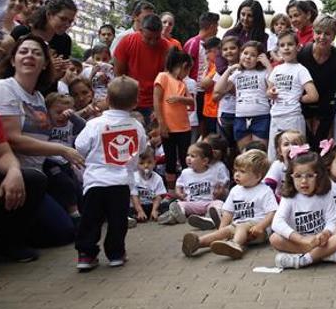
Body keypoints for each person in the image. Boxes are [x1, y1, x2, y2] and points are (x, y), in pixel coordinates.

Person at [0, 36, 81, 248]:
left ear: (45, 64)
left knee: (67, 230)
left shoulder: (38, 98)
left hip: (39, 174)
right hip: (8, 175)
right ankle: (0, 240)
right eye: (23, 51)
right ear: (13, 60)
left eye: (36, 53)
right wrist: (62, 150)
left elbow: (43, 135)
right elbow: (10, 140)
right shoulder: (3, 89)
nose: (29, 56)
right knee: (59, 231)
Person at [73, 76, 147, 271]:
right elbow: (142, 147)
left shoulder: (95, 124)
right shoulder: (136, 126)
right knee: (117, 220)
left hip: (95, 181)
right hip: (121, 182)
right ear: (135, 102)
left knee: (90, 219)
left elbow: (79, 146)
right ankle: (116, 253)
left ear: (107, 99)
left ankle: (86, 254)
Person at [182, 149, 277, 259]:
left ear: (257, 176)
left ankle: (235, 245)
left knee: (241, 226)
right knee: (223, 232)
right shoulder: (235, 190)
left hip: (257, 230)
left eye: (242, 171)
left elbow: (272, 212)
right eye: (236, 170)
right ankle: (197, 243)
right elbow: (228, 212)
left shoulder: (265, 191)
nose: (237, 174)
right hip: (237, 226)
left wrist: (261, 226)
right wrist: (222, 229)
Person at [269, 149, 336, 269]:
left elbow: (333, 218)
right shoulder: (289, 198)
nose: (304, 181)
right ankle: (324, 255)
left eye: (309, 176)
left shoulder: (325, 194)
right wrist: (302, 239)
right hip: (298, 240)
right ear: (290, 177)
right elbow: (277, 223)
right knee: (275, 238)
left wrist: (326, 233)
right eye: (298, 176)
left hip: (322, 239)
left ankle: (304, 259)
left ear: (318, 176)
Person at [266, 31, 318, 161]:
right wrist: (271, 93)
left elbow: (313, 95)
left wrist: (298, 98)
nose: (286, 48)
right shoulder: (277, 69)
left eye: (290, 44)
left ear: (298, 47)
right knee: (274, 155)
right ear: (278, 49)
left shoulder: (301, 70)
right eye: (282, 45)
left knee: (296, 156)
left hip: (292, 117)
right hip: (276, 116)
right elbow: (268, 90)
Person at [299, 16, 336, 146]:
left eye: (327, 33)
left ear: (333, 35)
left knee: (321, 141)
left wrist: (319, 118)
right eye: (318, 32)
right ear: (313, 33)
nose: (322, 37)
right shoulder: (302, 54)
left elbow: (332, 90)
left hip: (325, 105)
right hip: (302, 104)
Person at [214, 41, 271, 151]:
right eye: (245, 53)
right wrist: (229, 70)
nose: (248, 57)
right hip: (241, 117)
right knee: (244, 153)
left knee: (259, 152)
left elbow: (274, 84)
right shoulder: (237, 73)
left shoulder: (263, 72)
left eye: (253, 55)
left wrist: (268, 65)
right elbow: (218, 89)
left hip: (261, 116)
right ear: (240, 54)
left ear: (259, 58)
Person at [114, 14, 171, 122]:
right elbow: (119, 75)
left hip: (154, 101)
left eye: (157, 38)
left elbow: (168, 80)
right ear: (140, 30)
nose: (153, 42)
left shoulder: (167, 48)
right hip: (130, 99)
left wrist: (159, 106)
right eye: (148, 38)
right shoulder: (127, 42)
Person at [153, 48, 195, 187]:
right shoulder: (163, 77)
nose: (187, 74)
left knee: (185, 158)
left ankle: (186, 186)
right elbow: (157, 100)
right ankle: (170, 189)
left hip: (184, 127)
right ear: (184, 66)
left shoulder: (182, 83)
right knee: (170, 158)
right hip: (168, 127)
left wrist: (179, 99)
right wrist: (161, 123)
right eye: (188, 70)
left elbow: (191, 101)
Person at [161, 142, 226, 225]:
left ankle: (209, 218)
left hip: (209, 202)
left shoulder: (214, 171)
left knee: (219, 203)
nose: (188, 158)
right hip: (191, 203)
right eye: (188, 155)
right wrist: (180, 194)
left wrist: (219, 191)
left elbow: (222, 185)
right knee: (179, 204)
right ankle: (176, 216)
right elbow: (178, 186)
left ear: (205, 161)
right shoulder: (185, 172)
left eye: (193, 156)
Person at [183, 12, 220, 133]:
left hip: (206, 89)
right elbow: (185, 67)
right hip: (196, 90)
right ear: (211, 26)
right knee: (197, 123)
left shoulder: (211, 44)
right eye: (216, 25)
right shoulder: (193, 43)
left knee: (204, 122)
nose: (217, 29)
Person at [217, 0, 268, 73]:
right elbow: (220, 55)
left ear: (257, 17)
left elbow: (263, 59)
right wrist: (226, 72)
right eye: (243, 14)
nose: (245, 18)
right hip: (229, 75)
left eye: (250, 16)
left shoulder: (264, 37)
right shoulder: (230, 33)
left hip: (253, 77)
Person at [129, 147, 168, 222]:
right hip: (137, 206)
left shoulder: (158, 178)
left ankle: (162, 215)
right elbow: (134, 196)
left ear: (154, 162)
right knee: (126, 209)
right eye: (141, 163)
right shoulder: (134, 177)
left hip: (151, 205)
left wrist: (154, 210)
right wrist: (140, 211)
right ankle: (132, 219)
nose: (146, 166)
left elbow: (158, 197)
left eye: (149, 162)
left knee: (165, 205)